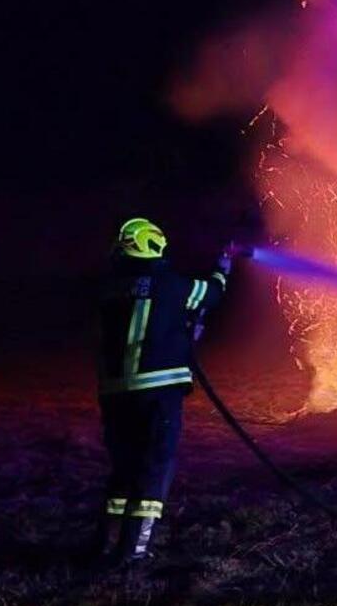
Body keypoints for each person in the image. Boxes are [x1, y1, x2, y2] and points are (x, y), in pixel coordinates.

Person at [91, 217, 233, 564]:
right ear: (154, 245)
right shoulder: (167, 283)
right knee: (155, 465)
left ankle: (108, 544)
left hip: (114, 392)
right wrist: (223, 266)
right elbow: (210, 295)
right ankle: (136, 549)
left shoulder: (110, 287)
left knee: (124, 467)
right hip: (156, 391)